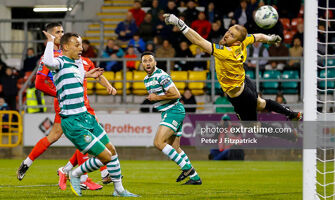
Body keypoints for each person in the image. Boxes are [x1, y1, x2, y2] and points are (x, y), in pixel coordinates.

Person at [16, 23, 117, 191]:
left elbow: (92, 73)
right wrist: (61, 93)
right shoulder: (52, 58)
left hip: (82, 103)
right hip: (69, 105)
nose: (60, 34)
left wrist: (108, 85)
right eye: (57, 32)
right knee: (72, 135)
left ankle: (79, 172)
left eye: (62, 31)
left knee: (67, 136)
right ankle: (81, 173)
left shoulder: (77, 56)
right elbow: (40, 83)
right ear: (51, 37)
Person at [40, 31, 138, 197]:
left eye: (81, 44)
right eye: (76, 44)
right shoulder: (59, 62)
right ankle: (75, 174)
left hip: (87, 117)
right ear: (64, 47)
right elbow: (49, 62)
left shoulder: (77, 64)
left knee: (112, 151)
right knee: (106, 157)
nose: (81, 48)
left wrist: (87, 74)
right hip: (72, 122)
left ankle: (119, 190)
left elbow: (75, 75)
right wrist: (50, 41)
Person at [163, 13, 302, 121]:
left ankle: (288, 133)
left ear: (236, 41)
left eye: (232, 35)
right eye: (229, 31)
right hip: (245, 81)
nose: (227, 35)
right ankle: (291, 114)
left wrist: (178, 22)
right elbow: (258, 36)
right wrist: (270, 39)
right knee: (261, 103)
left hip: (240, 95)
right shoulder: (243, 41)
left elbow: (198, 41)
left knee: (253, 128)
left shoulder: (226, 52)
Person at [141, 51, 202, 185]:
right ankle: (195, 178)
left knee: (158, 143)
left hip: (173, 111)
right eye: (145, 61)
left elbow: (176, 94)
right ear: (142, 65)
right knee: (174, 146)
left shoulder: (161, 75)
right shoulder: (146, 79)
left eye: (150, 60)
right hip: (169, 112)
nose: (147, 63)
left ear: (155, 63)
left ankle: (187, 169)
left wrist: (156, 97)